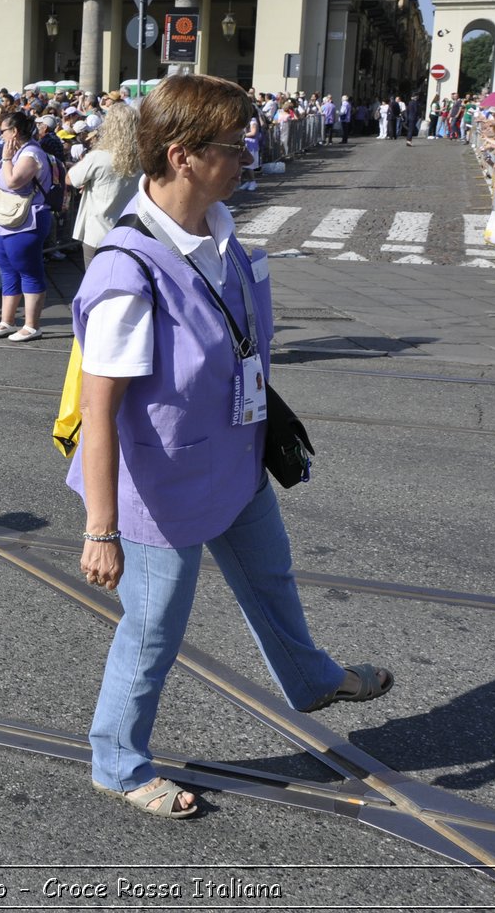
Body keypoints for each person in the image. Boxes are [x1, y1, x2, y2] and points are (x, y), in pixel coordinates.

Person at [71, 74, 392, 818]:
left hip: (234, 460)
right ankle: (116, 761)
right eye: (232, 145)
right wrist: (100, 525)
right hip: (161, 485)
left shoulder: (222, 234)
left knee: (271, 577)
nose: (246, 154)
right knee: (153, 631)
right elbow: (98, 408)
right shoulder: (127, 268)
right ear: (183, 156)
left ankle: (311, 679)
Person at [0, 109, 53, 342]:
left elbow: (13, 181)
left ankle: (32, 325)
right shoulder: (14, 152)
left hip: (26, 220)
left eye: (2, 130)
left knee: (28, 269)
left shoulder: (31, 153)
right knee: (7, 270)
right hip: (4, 219)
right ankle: (7, 320)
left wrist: (5, 159)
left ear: (14, 132)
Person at [68, 103, 141, 268]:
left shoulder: (99, 157)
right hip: (129, 231)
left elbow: (70, 179)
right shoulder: (142, 159)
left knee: (94, 283)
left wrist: (87, 180)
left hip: (98, 232)